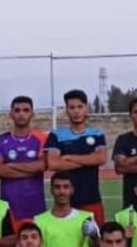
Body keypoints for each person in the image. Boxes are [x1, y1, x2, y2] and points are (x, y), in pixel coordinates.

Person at [45, 88, 108, 223]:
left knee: (96, 236)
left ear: (86, 109)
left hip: (92, 198)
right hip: (66, 203)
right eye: (72, 107)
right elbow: (53, 164)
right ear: (66, 110)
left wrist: (69, 157)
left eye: (80, 107)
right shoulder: (56, 135)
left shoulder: (97, 133)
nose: (76, 111)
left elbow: (101, 158)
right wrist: (89, 159)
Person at [0, 95, 49, 226]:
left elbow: (42, 165)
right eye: (17, 110)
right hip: (9, 207)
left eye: (26, 110)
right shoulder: (0, 140)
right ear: (11, 114)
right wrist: (31, 169)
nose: (21, 114)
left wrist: (11, 166)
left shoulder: (42, 139)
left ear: (32, 114)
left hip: (36, 207)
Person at [34, 174, 100, 247]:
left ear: (72, 190)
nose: (62, 192)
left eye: (66, 187)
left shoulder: (87, 218)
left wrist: (95, 237)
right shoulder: (39, 221)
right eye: (57, 187)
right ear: (51, 190)